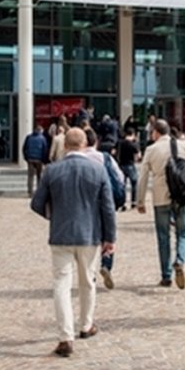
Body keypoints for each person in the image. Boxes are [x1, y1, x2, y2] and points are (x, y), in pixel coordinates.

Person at [31, 128, 116, 357]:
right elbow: (108, 207)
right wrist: (110, 238)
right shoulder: (97, 169)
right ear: (85, 143)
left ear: (65, 145)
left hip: (60, 235)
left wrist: (54, 215)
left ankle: (65, 336)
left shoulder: (52, 170)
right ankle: (86, 325)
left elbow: (37, 203)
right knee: (87, 281)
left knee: (61, 284)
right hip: (89, 234)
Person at [137, 119, 185, 288]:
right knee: (183, 232)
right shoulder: (184, 145)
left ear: (156, 132)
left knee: (163, 236)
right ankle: (180, 260)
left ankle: (166, 275)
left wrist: (140, 201)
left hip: (161, 197)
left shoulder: (151, 149)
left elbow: (143, 177)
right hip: (182, 196)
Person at [83, 128, 124, 290]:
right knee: (109, 235)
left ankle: (90, 273)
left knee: (90, 239)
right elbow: (119, 177)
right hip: (106, 202)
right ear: (96, 142)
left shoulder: (79, 159)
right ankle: (106, 263)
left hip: (86, 204)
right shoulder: (105, 158)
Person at [117, 128, 141, 209]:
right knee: (134, 183)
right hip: (130, 165)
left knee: (122, 185)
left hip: (121, 165)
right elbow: (138, 155)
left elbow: (114, 151)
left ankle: (122, 203)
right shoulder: (133, 144)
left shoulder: (120, 143)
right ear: (133, 135)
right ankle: (133, 202)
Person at [23, 126, 49, 197]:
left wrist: (26, 157)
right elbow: (45, 149)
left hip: (30, 159)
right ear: (40, 130)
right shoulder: (42, 138)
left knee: (30, 176)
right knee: (39, 176)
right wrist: (44, 160)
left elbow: (24, 148)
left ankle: (30, 191)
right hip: (39, 159)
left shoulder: (29, 137)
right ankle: (39, 191)